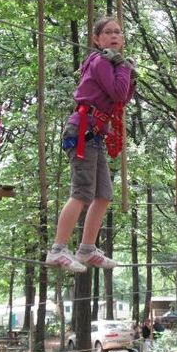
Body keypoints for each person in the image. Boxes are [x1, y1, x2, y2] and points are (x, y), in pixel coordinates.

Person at [44, 16, 135, 273]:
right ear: (97, 39)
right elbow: (118, 92)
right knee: (82, 192)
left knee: (103, 194)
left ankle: (86, 248)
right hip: (83, 129)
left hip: (95, 133)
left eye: (118, 32)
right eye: (107, 32)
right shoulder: (99, 60)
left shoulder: (113, 64)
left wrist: (128, 72)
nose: (114, 35)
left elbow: (122, 99)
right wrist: (125, 69)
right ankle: (58, 249)